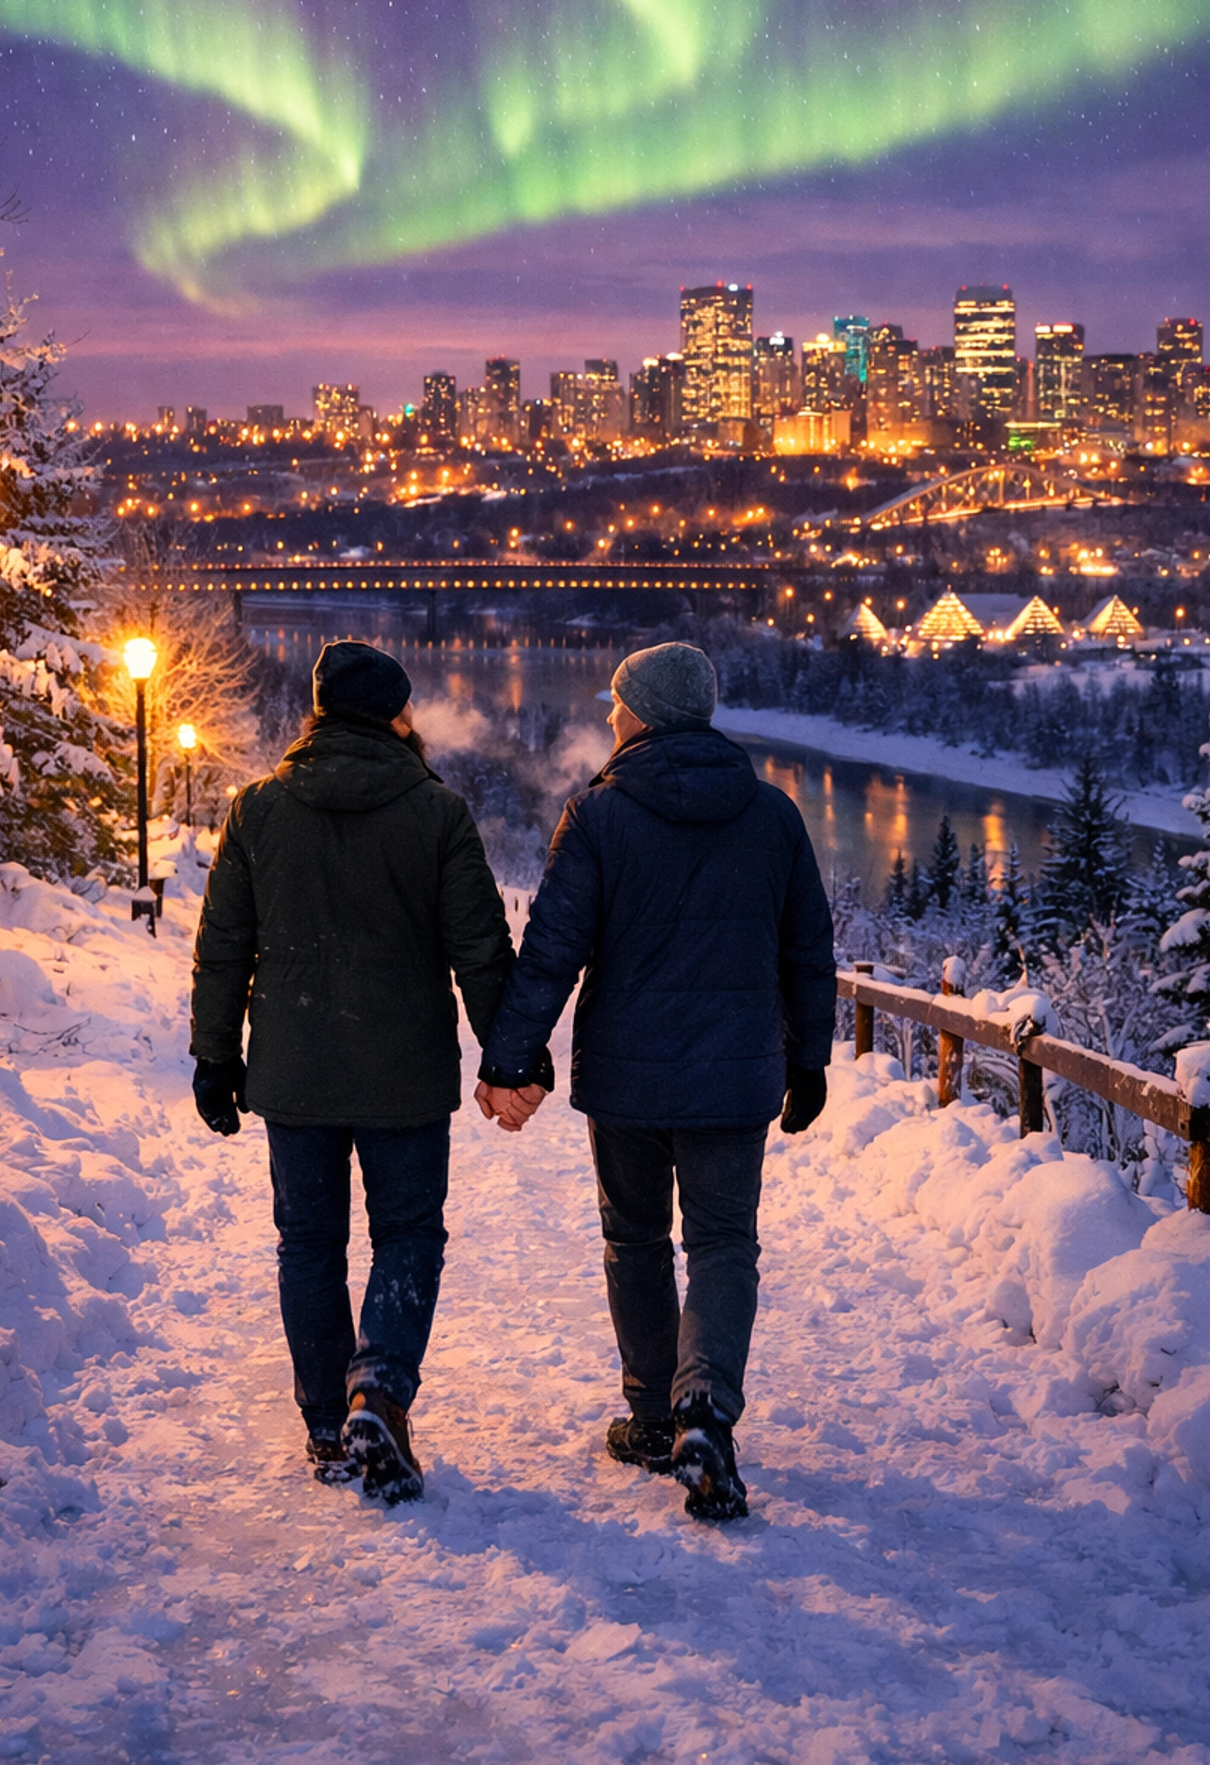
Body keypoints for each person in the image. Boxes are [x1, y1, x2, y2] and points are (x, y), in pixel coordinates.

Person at [475, 641, 835, 1522]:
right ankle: (704, 1405)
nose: (608, 716)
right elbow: (807, 955)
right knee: (722, 1244)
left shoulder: (599, 816)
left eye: (617, 704)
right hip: (735, 1076)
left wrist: (510, 1056)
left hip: (629, 1078)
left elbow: (554, 949)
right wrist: (809, 1058)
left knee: (634, 1241)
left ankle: (649, 1416)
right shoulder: (772, 816)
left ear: (643, 712)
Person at [189, 639, 528, 1504]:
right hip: (404, 1074)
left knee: (308, 1244)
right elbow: (480, 950)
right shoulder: (437, 814)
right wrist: (510, 1058)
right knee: (408, 1233)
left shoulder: (257, 810)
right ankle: (376, 1387)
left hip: (294, 1069)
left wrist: (215, 1056)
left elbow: (224, 948)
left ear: (316, 712)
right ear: (396, 717)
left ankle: (323, 1421)